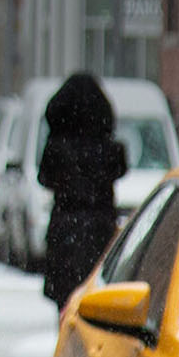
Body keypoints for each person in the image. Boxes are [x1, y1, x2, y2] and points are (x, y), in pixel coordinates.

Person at [38, 72, 128, 310]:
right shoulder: (109, 148)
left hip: (65, 227)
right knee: (96, 297)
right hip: (100, 226)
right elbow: (120, 170)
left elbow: (44, 178)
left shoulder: (56, 147)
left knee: (67, 301)